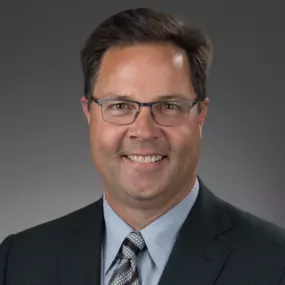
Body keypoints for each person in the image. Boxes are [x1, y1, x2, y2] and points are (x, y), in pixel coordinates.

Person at [0, 7, 285, 285]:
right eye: (120, 105)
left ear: (200, 115)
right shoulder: (19, 260)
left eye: (168, 106)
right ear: (89, 113)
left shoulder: (275, 262)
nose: (144, 131)